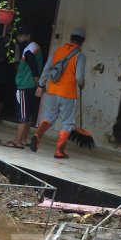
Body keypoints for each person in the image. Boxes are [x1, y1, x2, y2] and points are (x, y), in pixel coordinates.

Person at [33, 27, 88, 158]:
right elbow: (79, 77)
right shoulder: (80, 55)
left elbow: (47, 69)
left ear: (70, 38)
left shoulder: (58, 51)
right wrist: (81, 83)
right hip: (68, 93)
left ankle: (37, 135)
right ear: (83, 41)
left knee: (49, 117)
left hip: (52, 90)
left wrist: (41, 85)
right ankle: (59, 151)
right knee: (67, 122)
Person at [7, 27, 43, 149]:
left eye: (20, 36)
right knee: (28, 113)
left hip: (25, 85)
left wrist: (39, 84)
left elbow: (34, 69)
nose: (18, 38)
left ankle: (17, 141)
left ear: (27, 36)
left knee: (23, 114)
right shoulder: (36, 47)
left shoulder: (28, 50)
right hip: (31, 86)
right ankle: (24, 140)